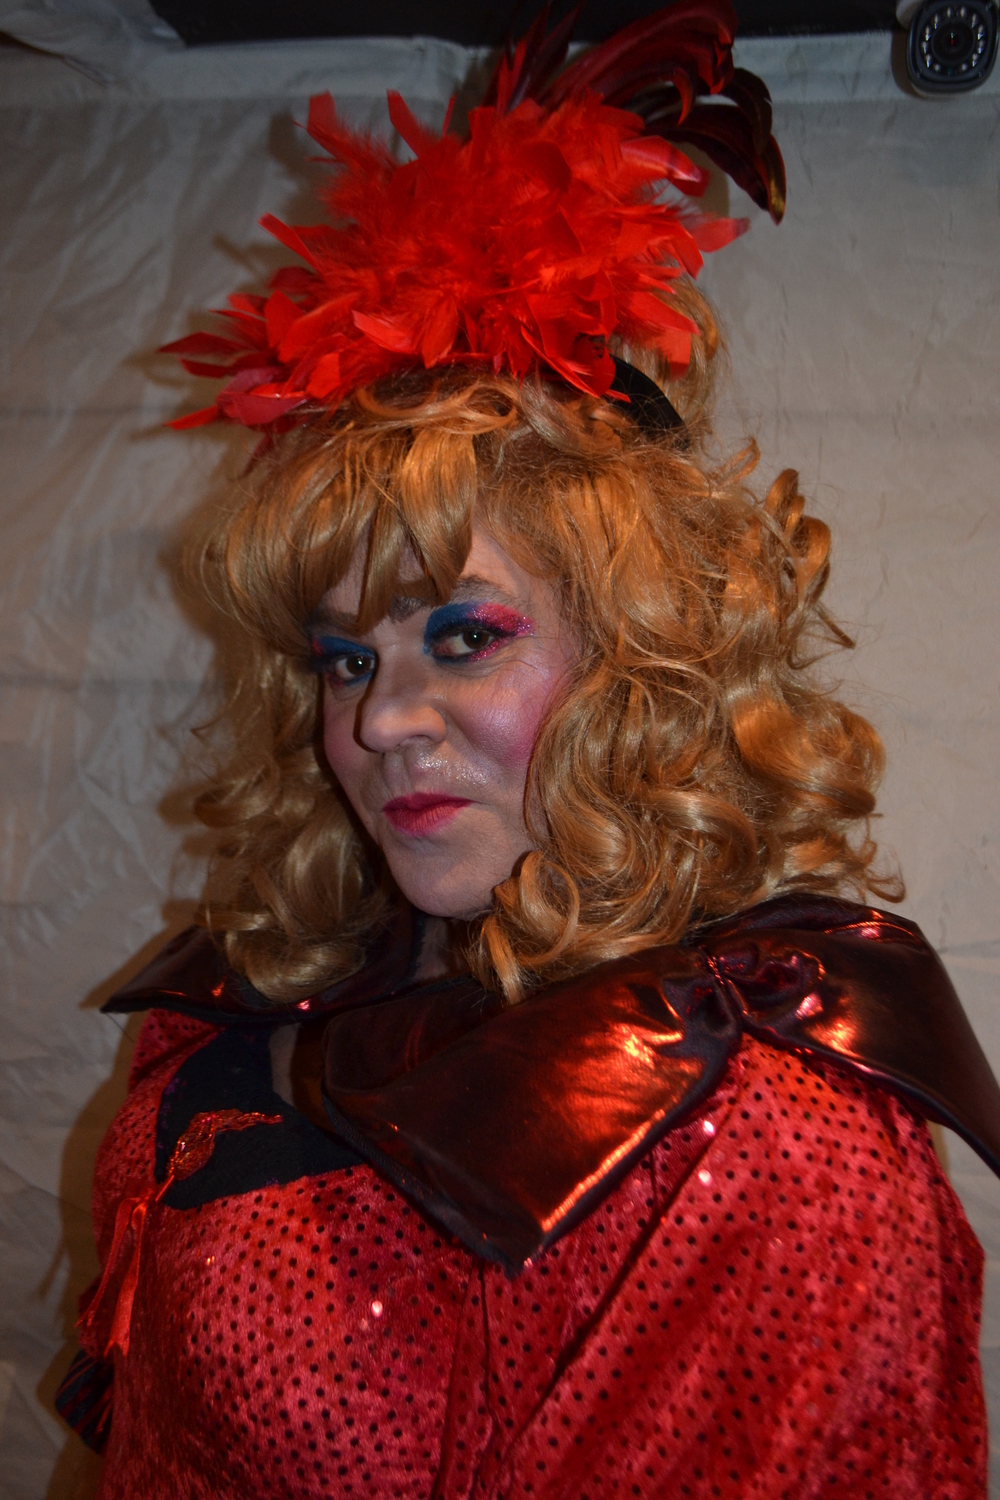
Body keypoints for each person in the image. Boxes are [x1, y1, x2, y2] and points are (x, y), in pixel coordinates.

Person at [55, 5, 1000, 1495]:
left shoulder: (756, 1135)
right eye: (347, 659)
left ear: (639, 656)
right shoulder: (281, 995)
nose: (377, 721)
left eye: (464, 637)